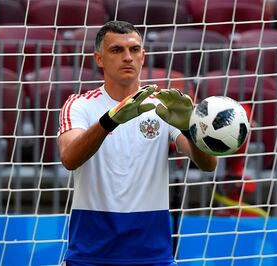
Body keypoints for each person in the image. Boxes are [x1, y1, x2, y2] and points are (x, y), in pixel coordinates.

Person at [58, 20, 217, 266]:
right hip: (91, 254)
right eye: (116, 50)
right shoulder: (80, 105)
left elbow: (208, 164)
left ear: (143, 56)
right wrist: (109, 121)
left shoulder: (164, 106)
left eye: (134, 50)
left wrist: (189, 127)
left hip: (153, 254)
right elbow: (69, 157)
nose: (127, 57)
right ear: (99, 59)